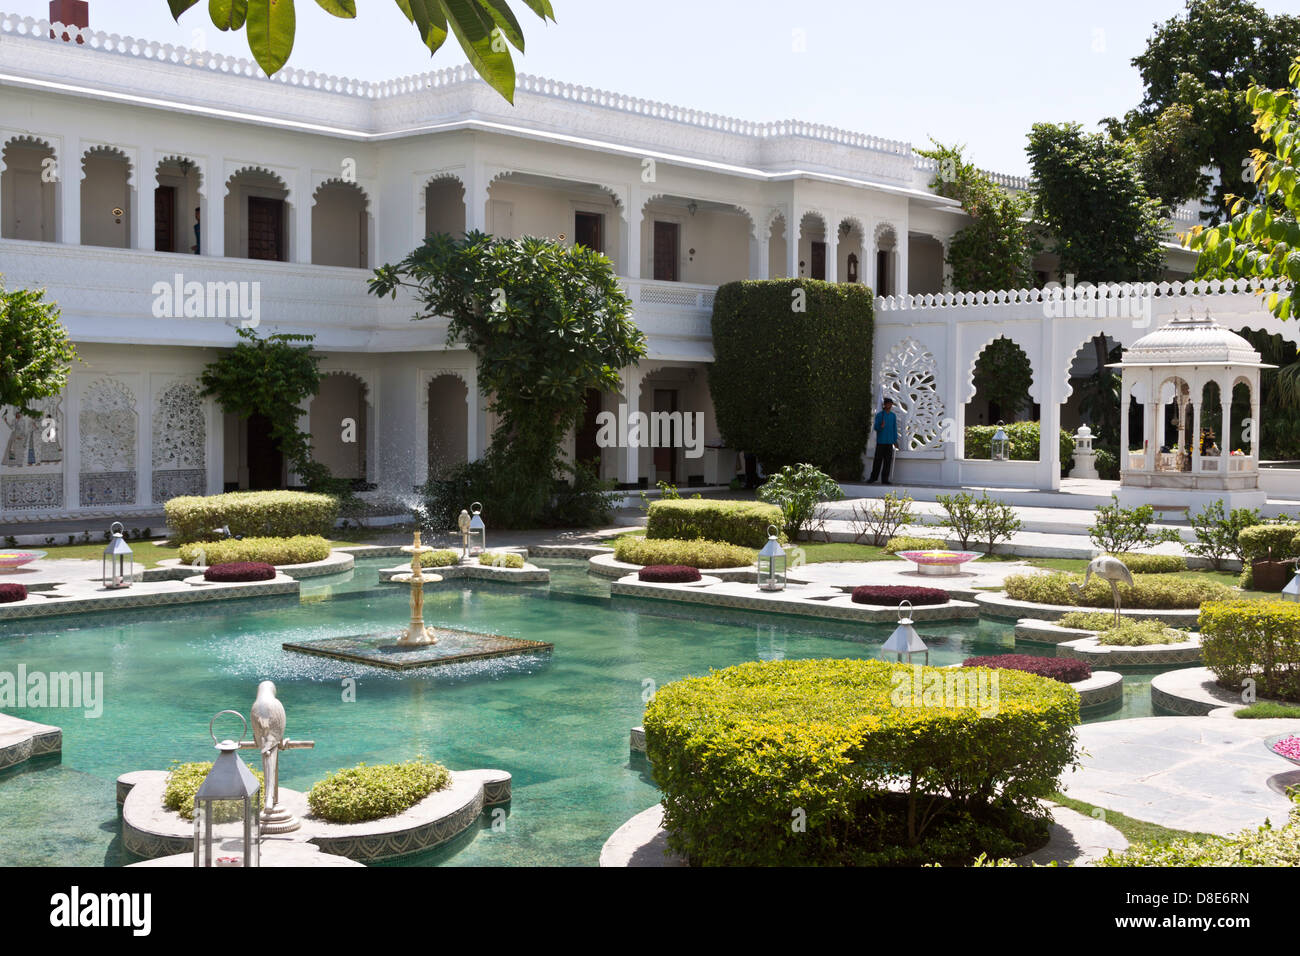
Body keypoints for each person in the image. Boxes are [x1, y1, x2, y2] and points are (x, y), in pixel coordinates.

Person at [866, 398, 898, 485]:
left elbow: (894, 429)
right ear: (884, 405)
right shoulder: (880, 415)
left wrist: (895, 440)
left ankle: (885, 479)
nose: (889, 405)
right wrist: (881, 426)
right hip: (881, 442)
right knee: (877, 461)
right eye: (888, 404)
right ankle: (873, 478)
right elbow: (876, 428)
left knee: (887, 462)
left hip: (889, 442)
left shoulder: (893, 416)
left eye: (891, 404)